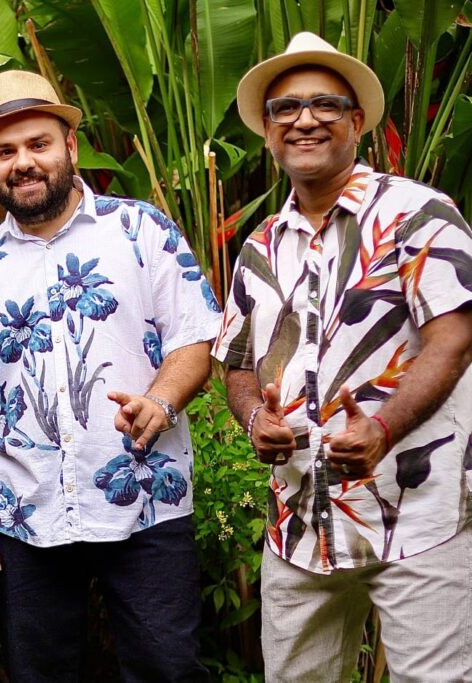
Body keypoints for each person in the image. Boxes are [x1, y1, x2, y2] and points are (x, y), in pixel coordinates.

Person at [0, 70, 219, 682]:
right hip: (25, 513)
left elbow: (196, 336)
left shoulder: (142, 231)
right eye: (5, 152)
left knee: (167, 670)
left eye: (37, 144)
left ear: (70, 147)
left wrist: (161, 400)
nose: (23, 163)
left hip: (146, 499)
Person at [215, 31, 472, 681]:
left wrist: (383, 427)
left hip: (415, 514)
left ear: (356, 121)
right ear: (268, 133)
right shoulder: (260, 247)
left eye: (324, 103)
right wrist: (253, 420)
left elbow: (455, 334)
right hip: (301, 524)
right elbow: (239, 364)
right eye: (284, 109)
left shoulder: (419, 216)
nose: (303, 119)